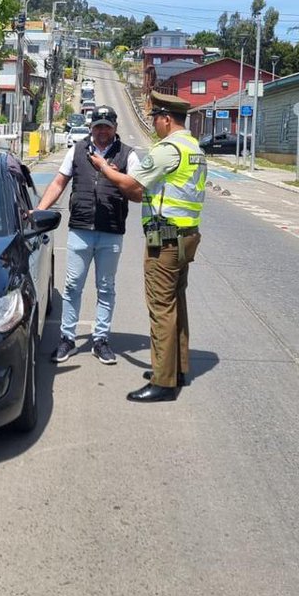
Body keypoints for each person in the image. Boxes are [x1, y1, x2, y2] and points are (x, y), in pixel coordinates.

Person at [88, 94, 206, 402]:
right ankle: (177, 368)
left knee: (161, 308)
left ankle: (163, 381)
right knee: (177, 303)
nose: (153, 124)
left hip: (165, 239)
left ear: (167, 119)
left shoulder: (168, 150)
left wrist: (102, 167)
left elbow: (131, 184)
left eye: (155, 119)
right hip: (187, 235)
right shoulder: (194, 148)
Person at [36, 105, 142, 365]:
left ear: (115, 128)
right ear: (91, 127)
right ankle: (67, 339)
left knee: (105, 288)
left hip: (111, 231)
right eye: (98, 125)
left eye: (107, 125)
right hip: (80, 229)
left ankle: (101, 339)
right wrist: (39, 210)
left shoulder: (128, 155)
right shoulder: (77, 150)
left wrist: (107, 169)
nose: (102, 130)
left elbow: (137, 192)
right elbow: (59, 182)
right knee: (73, 286)